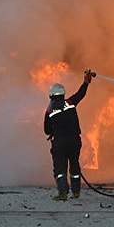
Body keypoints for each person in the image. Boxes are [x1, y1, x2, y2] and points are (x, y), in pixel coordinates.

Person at [44, 69, 94, 200]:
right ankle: (76, 193)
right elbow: (80, 94)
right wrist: (86, 81)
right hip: (74, 141)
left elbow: (47, 130)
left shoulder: (49, 110)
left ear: (51, 95)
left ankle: (63, 193)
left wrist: (54, 131)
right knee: (74, 166)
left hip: (60, 142)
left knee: (60, 169)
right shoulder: (70, 102)